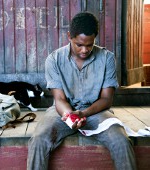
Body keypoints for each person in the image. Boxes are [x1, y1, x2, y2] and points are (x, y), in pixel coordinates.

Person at [27, 12, 137, 170]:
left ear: (95, 39)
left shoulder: (107, 58)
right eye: (79, 44)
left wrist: (84, 114)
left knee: (121, 141)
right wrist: (70, 116)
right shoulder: (54, 59)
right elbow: (59, 99)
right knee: (38, 140)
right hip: (62, 112)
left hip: (96, 111)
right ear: (69, 36)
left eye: (90, 44)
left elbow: (107, 99)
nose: (85, 50)